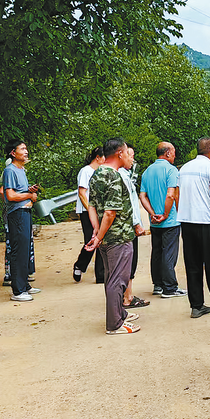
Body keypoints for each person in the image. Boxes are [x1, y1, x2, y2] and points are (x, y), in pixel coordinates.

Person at [85, 138, 141, 335]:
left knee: (111, 278)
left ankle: (119, 313)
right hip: (118, 237)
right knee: (118, 280)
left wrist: (96, 231)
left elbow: (91, 205)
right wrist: (99, 236)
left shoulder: (97, 174)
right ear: (119, 153)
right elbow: (110, 212)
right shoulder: (114, 176)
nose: (129, 157)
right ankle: (115, 324)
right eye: (127, 153)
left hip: (107, 238)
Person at [178, 137, 210, 318]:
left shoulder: (184, 168)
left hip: (186, 222)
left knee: (193, 264)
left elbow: (177, 195)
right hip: (206, 222)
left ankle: (196, 306)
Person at [140, 141, 187, 298]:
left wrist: (152, 213)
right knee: (169, 253)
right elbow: (170, 195)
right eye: (173, 152)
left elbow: (142, 196)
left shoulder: (147, 171)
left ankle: (158, 285)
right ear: (167, 153)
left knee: (157, 252)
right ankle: (170, 287)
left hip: (154, 221)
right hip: (170, 220)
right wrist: (165, 214)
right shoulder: (171, 170)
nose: (174, 155)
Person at [1, 140, 42, 302]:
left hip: (25, 212)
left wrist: (29, 190)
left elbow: (19, 191)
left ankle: (25, 285)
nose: (26, 152)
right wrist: (30, 195)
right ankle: (17, 291)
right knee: (18, 251)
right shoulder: (9, 170)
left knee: (25, 250)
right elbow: (10, 195)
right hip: (17, 214)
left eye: (26, 149)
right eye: (22, 149)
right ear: (13, 153)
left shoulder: (21, 170)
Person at [118, 144, 149, 309]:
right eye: (130, 155)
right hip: (129, 226)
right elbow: (129, 203)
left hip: (127, 225)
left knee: (129, 261)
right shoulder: (122, 177)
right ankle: (127, 297)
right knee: (129, 261)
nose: (132, 159)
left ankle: (127, 295)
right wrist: (137, 224)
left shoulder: (124, 175)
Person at [73, 147, 106, 283]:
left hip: (99, 210)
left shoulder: (101, 172)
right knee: (90, 239)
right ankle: (80, 265)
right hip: (87, 211)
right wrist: (91, 210)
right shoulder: (86, 171)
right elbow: (82, 193)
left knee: (101, 239)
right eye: (104, 157)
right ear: (97, 157)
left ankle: (101, 274)